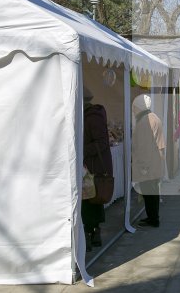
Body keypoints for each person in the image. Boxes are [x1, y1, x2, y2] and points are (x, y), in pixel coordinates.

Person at [82, 86, 113, 251]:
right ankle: (94, 234)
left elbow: (101, 143)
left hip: (93, 167)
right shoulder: (91, 115)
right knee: (93, 200)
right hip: (93, 167)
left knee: (90, 200)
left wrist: (82, 150)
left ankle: (91, 234)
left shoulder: (92, 118)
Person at [132, 94, 166, 228]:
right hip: (154, 161)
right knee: (152, 192)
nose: (133, 110)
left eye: (135, 107)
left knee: (149, 193)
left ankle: (153, 219)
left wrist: (142, 165)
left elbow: (144, 146)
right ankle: (153, 217)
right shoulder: (153, 117)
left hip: (148, 164)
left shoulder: (145, 121)